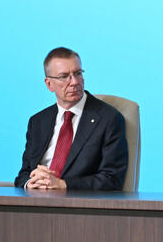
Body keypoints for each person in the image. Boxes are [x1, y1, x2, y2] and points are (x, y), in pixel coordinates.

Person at [14, 47, 128, 190]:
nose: (74, 82)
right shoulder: (38, 122)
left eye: (78, 73)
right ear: (49, 84)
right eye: (64, 76)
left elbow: (112, 178)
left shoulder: (109, 119)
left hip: (77, 201)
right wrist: (30, 183)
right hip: (36, 197)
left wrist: (62, 184)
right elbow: (24, 174)